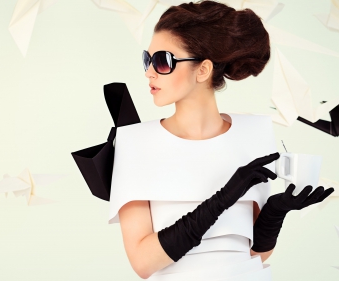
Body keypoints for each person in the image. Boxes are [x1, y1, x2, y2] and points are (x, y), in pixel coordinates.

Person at [107, 1, 334, 280]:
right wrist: (222, 199)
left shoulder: (254, 131)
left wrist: (274, 214)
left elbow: (254, 255)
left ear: (202, 70)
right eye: (147, 59)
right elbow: (143, 262)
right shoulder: (135, 141)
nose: (149, 72)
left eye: (162, 61)